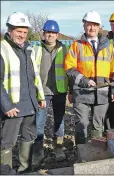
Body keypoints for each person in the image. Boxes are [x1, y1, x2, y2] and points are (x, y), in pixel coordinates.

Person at [64, 11, 114, 144]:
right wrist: (83, 80)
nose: (92, 28)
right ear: (84, 25)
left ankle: (95, 155)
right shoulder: (76, 45)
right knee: (82, 124)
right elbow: (69, 68)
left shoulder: (108, 47)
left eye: (95, 25)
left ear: (99, 27)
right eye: (89, 25)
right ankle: (81, 154)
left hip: (102, 92)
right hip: (82, 92)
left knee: (98, 125)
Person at [0, 12, 45, 173]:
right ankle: (4, 171)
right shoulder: (3, 49)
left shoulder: (28, 49)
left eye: (25, 32)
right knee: (7, 142)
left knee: (29, 138)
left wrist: (40, 96)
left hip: (30, 104)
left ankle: (25, 170)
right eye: (19, 31)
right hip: (13, 107)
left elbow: (35, 76)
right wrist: (6, 105)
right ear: (10, 30)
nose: (22, 35)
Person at [31, 20, 69, 167]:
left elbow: (69, 71)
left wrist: (70, 91)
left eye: (53, 33)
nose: (50, 35)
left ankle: (58, 147)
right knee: (39, 122)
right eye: (48, 33)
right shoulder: (36, 49)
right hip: (43, 92)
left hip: (60, 91)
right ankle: (38, 152)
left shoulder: (64, 49)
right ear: (44, 33)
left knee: (59, 120)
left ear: (57, 34)